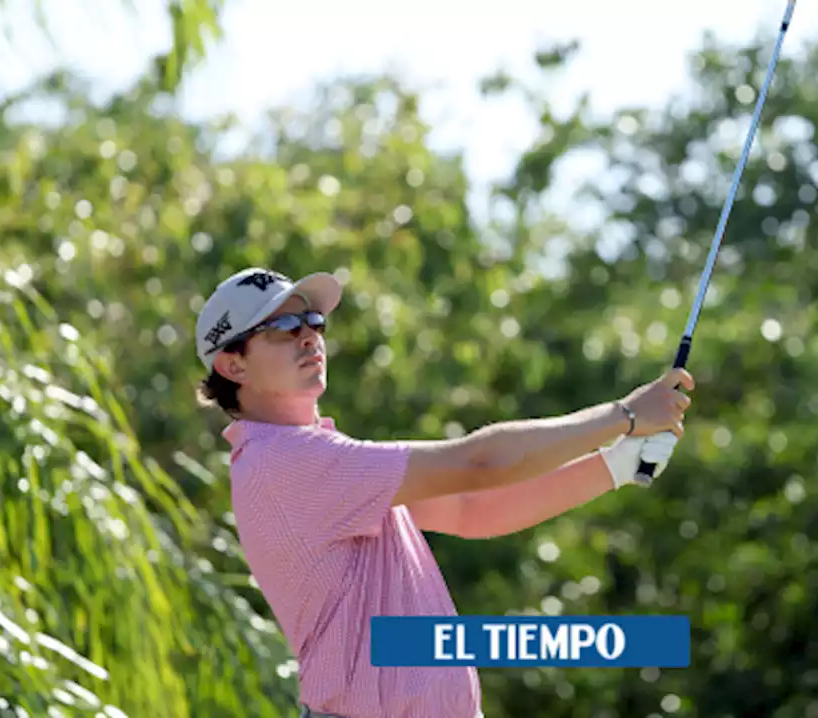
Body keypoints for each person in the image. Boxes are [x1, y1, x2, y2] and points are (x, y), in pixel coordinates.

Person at [193, 267, 694, 718]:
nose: (309, 336)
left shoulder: (316, 454)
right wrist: (624, 416)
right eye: (283, 328)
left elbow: (472, 510)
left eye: (314, 322)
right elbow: (478, 462)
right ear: (233, 366)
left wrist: (614, 463)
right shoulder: (284, 461)